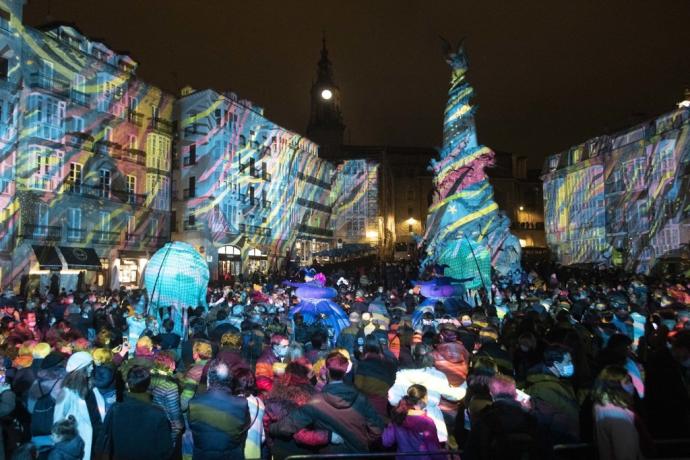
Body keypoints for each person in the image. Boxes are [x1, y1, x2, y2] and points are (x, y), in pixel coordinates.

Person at [270, 352, 385, 453]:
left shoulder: (316, 402)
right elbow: (377, 429)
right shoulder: (361, 399)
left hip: (331, 455)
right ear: (345, 373)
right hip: (358, 454)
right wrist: (360, 441)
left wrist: (271, 428)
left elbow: (286, 426)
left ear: (327, 372)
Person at [389, 343, 466, 444]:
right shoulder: (437, 375)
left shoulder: (402, 374)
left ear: (414, 356)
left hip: (407, 419)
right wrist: (464, 383)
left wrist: (407, 403)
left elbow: (393, 399)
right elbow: (454, 395)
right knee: (431, 451)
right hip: (433, 421)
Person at [96, 366, 173, 460]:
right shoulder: (158, 413)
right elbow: (165, 449)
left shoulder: (116, 409)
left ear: (127, 384)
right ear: (148, 386)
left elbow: (103, 439)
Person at [464, 375, 545, 460]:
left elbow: (470, 454)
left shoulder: (484, 421)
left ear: (491, 393)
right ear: (515, 394)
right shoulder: (532, 420)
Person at [188, 360, 250, 460]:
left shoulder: (194, 403)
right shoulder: (242, 404)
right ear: (230, 381)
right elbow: (244, 432)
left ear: (208, 379)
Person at [52, 352, 104, 460]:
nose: (92, 368)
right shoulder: (67, 392)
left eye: (92, 365)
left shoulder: (92, 387)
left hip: (97, 438)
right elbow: (58, 420)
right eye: (89, 365)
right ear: (81, 369)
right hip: (80, 441)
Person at [524, 345, 580, 444]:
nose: (571, 365)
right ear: (556, 364)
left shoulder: (555, 383)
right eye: (568, 362)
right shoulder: (543, 388)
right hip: (557, 442)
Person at [593, 365, 648, 460]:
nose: (632, 385)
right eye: (627, 382)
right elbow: (625, 454)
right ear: (615, 386)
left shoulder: (601, 406)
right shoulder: (618, 416)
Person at [382, 384, 442, 460]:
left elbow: (386, 442)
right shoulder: (427, 422)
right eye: (427, 397)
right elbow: (434, 450)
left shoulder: (398, 417)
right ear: (423, 400)